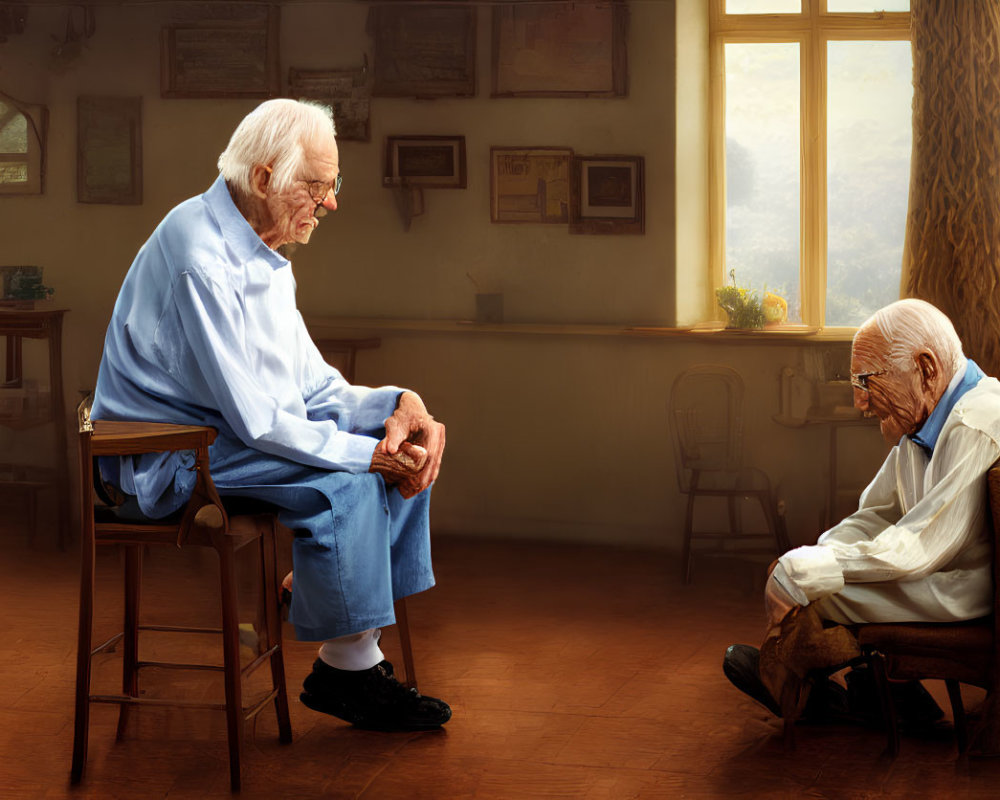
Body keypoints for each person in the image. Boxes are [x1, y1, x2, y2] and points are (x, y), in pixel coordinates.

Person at [91, 98, 451, 731]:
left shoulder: (261, 251)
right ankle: (352, 671)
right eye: (316, 186)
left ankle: (339, 641)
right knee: (354, 477)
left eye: (331, 184)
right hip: (168, 455)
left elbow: (311, 386)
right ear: (262, 178)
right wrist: (368, 453)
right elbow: (257, 417)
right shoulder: (200, 255)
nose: (331, 202)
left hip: (216, 433)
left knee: (405, 448)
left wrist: (400, 405)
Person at [724, 298, 1000, 723]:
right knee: (821, 575)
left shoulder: (973, 423)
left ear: (926, 370)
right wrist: (820, 554)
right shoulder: (924, 418)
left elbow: (924, 546)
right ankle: (882, 693)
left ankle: (796, 684)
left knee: (825, 587)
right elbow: (874, 513)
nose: (860, 402)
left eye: (867, 381)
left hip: (960, 586)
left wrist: (815, 568)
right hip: (934, 572)